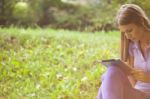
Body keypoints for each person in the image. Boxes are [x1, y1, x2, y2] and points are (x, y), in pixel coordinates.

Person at [97, 4, 150, 99]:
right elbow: (132, 80)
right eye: (124, 32)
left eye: (129, 30)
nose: (127, 36)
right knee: (112, 71)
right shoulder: (132, 46)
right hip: (139, 93)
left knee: (106, 82)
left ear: (141, 21)